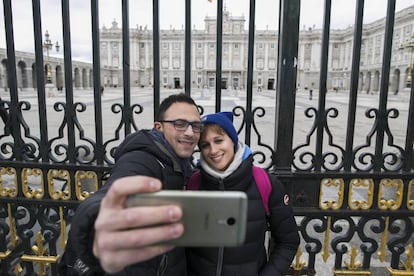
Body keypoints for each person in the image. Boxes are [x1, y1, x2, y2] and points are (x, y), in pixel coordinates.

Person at [60, 93, 203, 275]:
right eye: (179, 124)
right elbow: (117, 185)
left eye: (196, 126)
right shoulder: (142, 159)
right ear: (158, 127)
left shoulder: (182, 165)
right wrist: (97, 222)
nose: (190, 133)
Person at [186, 112, 300, 276]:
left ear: (232, 140)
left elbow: (288, 241)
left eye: (219, 140)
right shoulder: (194, 183)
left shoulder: (263, 182)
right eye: (205, 145)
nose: (213, 150)